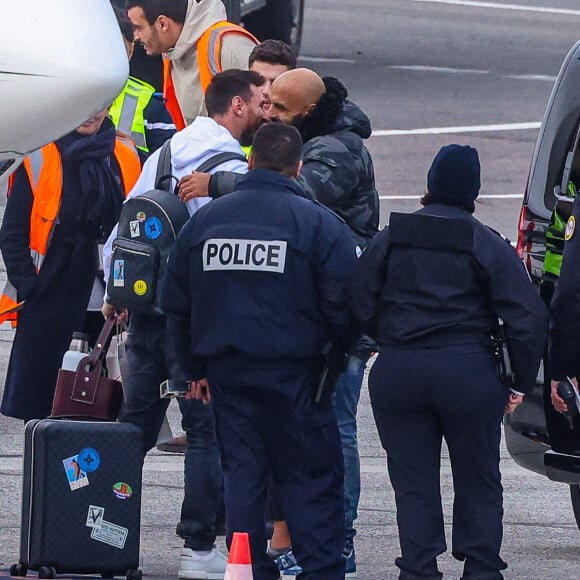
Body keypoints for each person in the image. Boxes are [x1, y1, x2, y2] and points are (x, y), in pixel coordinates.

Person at [178, 66, 380, 576]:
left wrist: (191, 369)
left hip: (228, 373)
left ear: (250, 162)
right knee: (310, 475)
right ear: (295, 169)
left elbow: (177, 298)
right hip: (297, 376)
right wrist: (334, 361)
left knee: (243, 474)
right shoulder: (317, 225)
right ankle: (321, 566)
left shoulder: (206, 221)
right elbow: (348, 304)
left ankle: (247, 566)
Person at [350, 144, 548, 580]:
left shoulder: (392, 237)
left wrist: (383, 338)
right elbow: (528, 317)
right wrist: (516, 380)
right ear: (473, 192)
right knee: (477, 474)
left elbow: (356, 297)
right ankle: (480, 566)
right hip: (467, 371)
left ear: (429, 186)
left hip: (400, 369)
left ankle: (418, 567)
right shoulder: (483, 241)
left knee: (412, 480)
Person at [102, 69, 265, 580]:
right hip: (199, 321)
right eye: (260, 102)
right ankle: (198, 549)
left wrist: (116, 293)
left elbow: (125, 226)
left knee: (134, 429)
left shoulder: (166, 153)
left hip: (147, 316)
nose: (266, 110)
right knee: (204, 433)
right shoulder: (232, 165)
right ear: (236, 106)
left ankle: (102, 530)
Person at [0, 109, 140, 421]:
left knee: (99, 402)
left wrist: (125, 288)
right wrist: (29, 285)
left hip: (105, 294)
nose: (90, 114)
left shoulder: (125, 154)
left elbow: (135, 227)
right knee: (40, 401)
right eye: (85, 105)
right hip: (50, 290)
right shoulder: (40, 154)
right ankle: (44, 462)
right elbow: (13, 231)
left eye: (99, 106)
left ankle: (89, 466)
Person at [177, 38, 296, 203]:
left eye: (276, 82)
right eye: (261, 80)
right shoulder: (229, 129)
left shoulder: (301, 136)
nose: (267, 90)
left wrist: (215, 184)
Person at [126, 0, 257, 130]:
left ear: (163, 23)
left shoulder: (229, 46)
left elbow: (266, 112)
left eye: (138, 28)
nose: (135, 37)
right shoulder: (170, 53)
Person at [111, 4, 176, 163]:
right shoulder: (62, 97)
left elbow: (168, 169)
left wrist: (129, 153)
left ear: (131, 49)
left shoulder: (151, 106)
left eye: (114, 45)